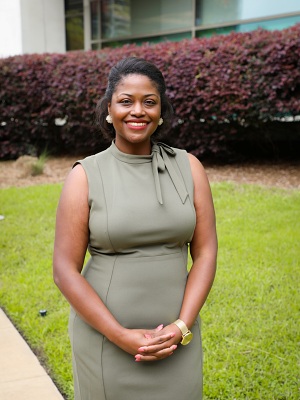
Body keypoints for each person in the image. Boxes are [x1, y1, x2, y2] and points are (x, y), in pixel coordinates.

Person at [53, 56, 217, 400]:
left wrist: (182, 325)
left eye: (149, 102)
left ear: (161, 111)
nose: (137, 111)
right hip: (106, 340)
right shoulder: (85, 175)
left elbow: (205, 252)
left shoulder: (189, 167)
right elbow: (65, 270)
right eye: (126, 101)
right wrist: (118, 335)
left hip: (177, 339)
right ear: (109, 110)